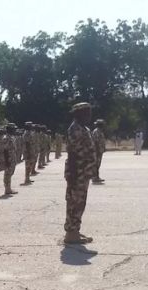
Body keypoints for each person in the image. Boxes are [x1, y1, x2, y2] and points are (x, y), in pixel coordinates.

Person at [64, 102, 97, 245]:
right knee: (75, 203)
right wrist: (72, 175)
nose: (89, 116)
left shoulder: (83, 128)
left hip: (83, 172)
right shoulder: (75, 129)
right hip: (77, 172)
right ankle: (71, 234)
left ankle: (74, 230)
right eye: (86, 113)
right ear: (78, 114)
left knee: (79, 203)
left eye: (89, 113)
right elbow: (72, 154)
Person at [91, 119, 107, 184]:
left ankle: (96, 177)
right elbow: (96, 141)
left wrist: (103, 148)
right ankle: (95, 177)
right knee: (96, 164)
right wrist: (97, 150)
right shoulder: (96, 131)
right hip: (97, 151)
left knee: (98, 164)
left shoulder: (99, 131)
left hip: (99, 150)